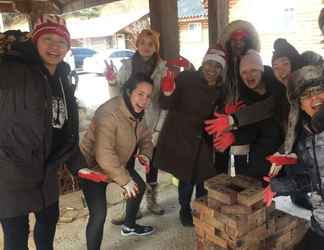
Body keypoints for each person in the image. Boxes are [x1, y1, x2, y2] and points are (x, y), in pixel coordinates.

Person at [0, 14, 103, 250]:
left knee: (48, 225)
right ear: (34, 41)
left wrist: (78, 165)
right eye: (47, 39)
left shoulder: (63, 76)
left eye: (62, 42)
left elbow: (64, 128)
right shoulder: (11, 70)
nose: (55, 47)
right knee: (16, 238)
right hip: (9, 170)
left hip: (46, 170)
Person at [79, 73, 155, 250]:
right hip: (93, 168)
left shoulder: (139, 113)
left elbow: (145, 137)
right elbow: (103, 154)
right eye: (140, 94)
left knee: (139, 188)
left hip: (118, 161)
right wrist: (126, 180)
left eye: (148, 96)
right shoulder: (109, 113)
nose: (144, 100)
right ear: (129, 92)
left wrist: (145, 154)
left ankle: (129, 226)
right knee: (98, 214)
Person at [154, 48, 228, 227]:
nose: (212, 69)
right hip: (183, 136)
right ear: (203, 63)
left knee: (204, 178)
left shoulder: (221, 88)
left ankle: (201, 208)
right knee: (186, 178)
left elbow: (220, 113)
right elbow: (165, 104)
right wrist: (167, 93)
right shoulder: (186, 78)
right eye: (210, 63)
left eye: (218, 66)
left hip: (204, 138)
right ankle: (185, 209)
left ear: (221, 70)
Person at [106, 29, 167, 222]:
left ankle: (152, 200)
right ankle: (132, 207)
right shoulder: (127, 66)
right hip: (129, 122)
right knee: (129, 165)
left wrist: (158, 128)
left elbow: (166, 102)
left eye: (150, 44)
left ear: (156, 47)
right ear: (137, 45)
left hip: (151, 122)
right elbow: (119, 93)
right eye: (142, 43)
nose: (146, 47)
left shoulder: (162, 68)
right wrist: (112, 80)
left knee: (151, 163)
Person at [266, 65, 324, 249]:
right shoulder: (306, 138)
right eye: (306, 95)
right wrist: (279, 186)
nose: (314, 98)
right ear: (299, 105)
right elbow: (316, 180)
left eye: (318, 90)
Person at [213, 50, 285, 180]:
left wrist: (234, 119)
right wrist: (234, 135)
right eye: (244, 72)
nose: (248, 76)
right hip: (260, 157)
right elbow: (251, 130)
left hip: (285, 150)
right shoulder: (245, 97)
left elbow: (269, 107)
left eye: (253, 70)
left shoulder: (278, 86)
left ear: (261, 71)